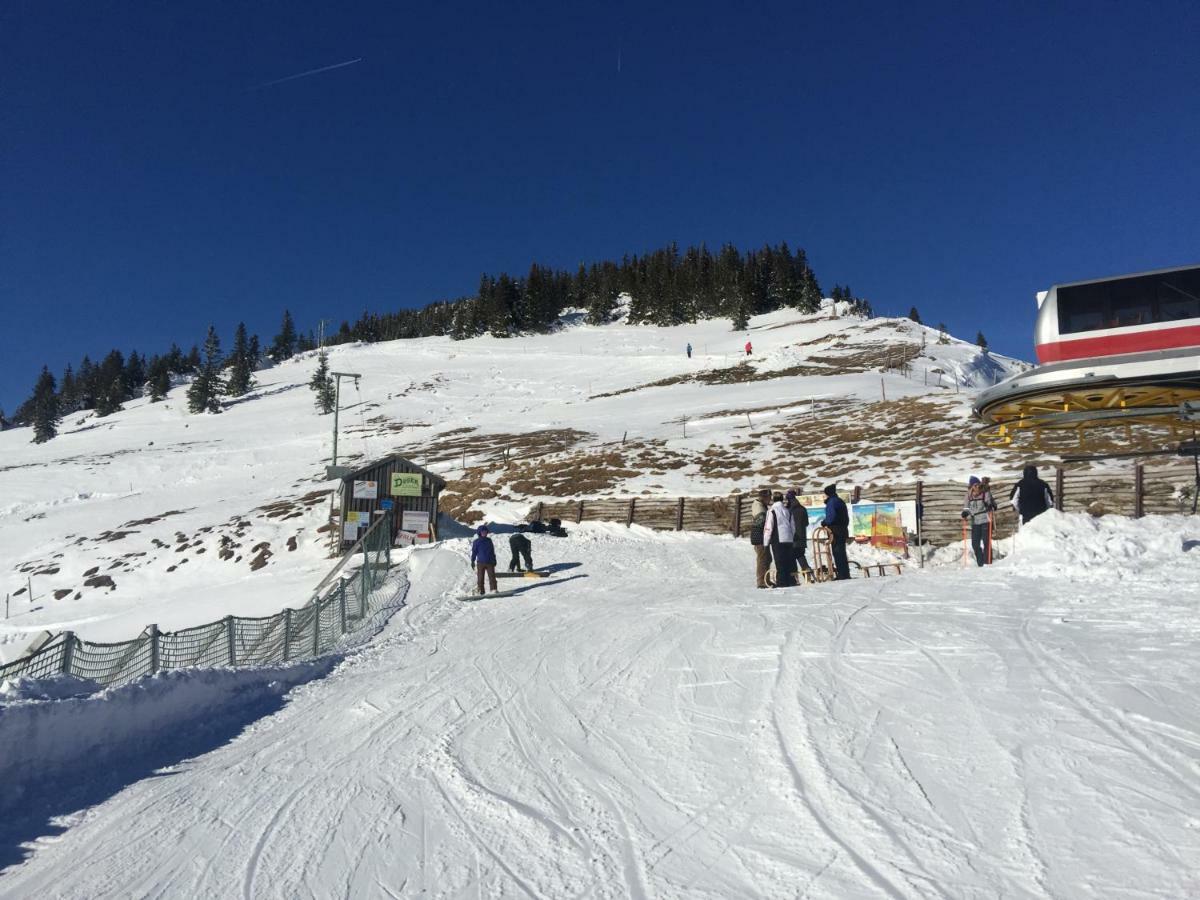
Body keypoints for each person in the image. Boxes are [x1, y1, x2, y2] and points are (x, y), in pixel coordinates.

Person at [961, 476, 997, 566]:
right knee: (975, 544)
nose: (977, 487)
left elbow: (992, 504)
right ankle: (981, 564)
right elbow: (966, 507)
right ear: (971, 486)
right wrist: (965, 513)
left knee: (986, 542)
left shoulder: (985, 493)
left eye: (978, 485)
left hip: (985, 519)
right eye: (975, 485)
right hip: (975, 521)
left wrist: (990, 506)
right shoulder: (968, 495)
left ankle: (987, 563)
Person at [763, 491, 796, 587]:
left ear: (773, 499)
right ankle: (790, 580)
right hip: (789, 538)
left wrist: (766, 542)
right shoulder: (787, 511)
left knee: (780, 561)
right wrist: (792, 537)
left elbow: (769, 527)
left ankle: (782, 582)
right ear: (782, 499)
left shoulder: (772, 511)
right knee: (788, 561)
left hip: (778, 538)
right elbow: (793, 526)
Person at [820, 485, 851, 580]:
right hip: (842, 529)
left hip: (835, 530)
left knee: (837, 552)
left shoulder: (832, 502)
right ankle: (845, 573)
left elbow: (831, 516)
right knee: (841, 552)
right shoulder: (839, 501)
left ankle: (842, 574)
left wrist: (825, 522)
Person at [749, 488, 772, 589]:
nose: (770, 499)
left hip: (761, 536)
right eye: (769, 497)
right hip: (760, 536)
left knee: (767, 558)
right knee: (763, 559)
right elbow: (760, 524)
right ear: (764, 497)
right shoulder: (759, 508)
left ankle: (766, 579)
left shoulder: (761, 506)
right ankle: (761, 581)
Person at [785, 490, 811, 576]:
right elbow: (806, 523)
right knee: (800, 555)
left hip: (793, 537)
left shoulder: (788, 510)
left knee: (792, 558)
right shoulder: (803, 509)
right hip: (802, 537)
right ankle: (807, 575)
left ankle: (794, 578)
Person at [470, 525, 498, 594]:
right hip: (480, 563)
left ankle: (493, 590)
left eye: (485, 532)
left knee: (492, 577)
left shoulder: (489, 540)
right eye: (483, 532)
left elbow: (492, 551)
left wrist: (494, 559)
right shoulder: (476, 542)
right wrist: (472, 561)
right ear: (479, 533)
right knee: (480, 578)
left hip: (490, 562)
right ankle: (481, 591)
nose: (484, 533)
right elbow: (474, 552)